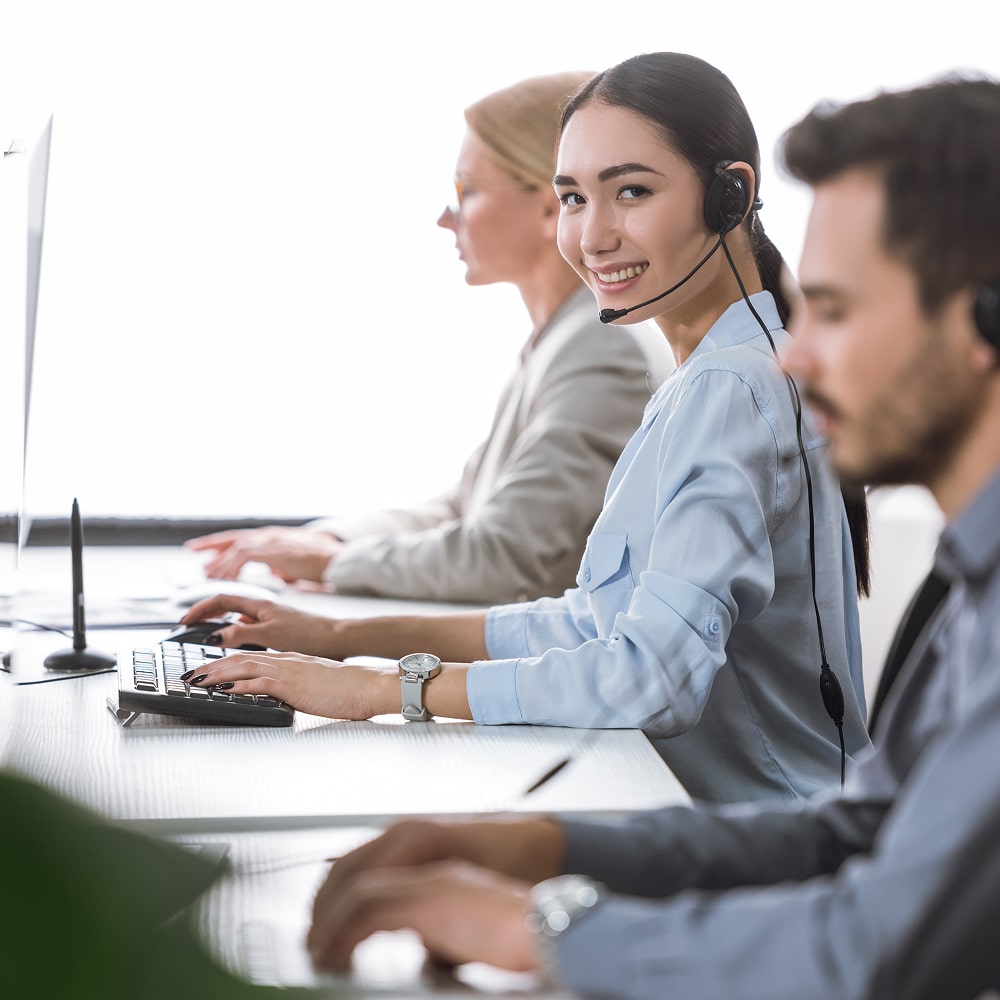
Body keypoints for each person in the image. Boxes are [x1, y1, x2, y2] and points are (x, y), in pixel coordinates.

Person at [294, 72, 1000, 999]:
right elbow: (851, 830)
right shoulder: (970, 587)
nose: (795, 350)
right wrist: (546, 844)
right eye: (573, 198)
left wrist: (546, 929)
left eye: (834, 309)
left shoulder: (732, 389)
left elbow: (865, 946)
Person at [179, 52, 872, 806]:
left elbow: (652, 677)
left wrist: (380, 691)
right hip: (716, 817)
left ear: (730, 195)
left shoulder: (732, 389)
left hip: (771, 842)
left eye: (631, 192)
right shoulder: (714, 374)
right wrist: (343, 640)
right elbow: (590, 621)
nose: (594, 235)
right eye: (573, 198)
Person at [185, 71, 672, 606]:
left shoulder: (602, 349)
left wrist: (333, 563)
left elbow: (504, 558)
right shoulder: (560, 339)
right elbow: (462, 508)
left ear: (548, 205)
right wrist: (328, 539)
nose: (446, 216)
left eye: (467, 190)